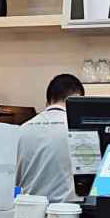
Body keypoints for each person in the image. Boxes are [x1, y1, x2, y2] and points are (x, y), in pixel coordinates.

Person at [16, 74, 85, 202]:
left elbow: (12, 179)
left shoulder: (21, 130)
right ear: (79, 101)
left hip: (27, 209)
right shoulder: (81, 131)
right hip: (69, 211)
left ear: (47, 103)